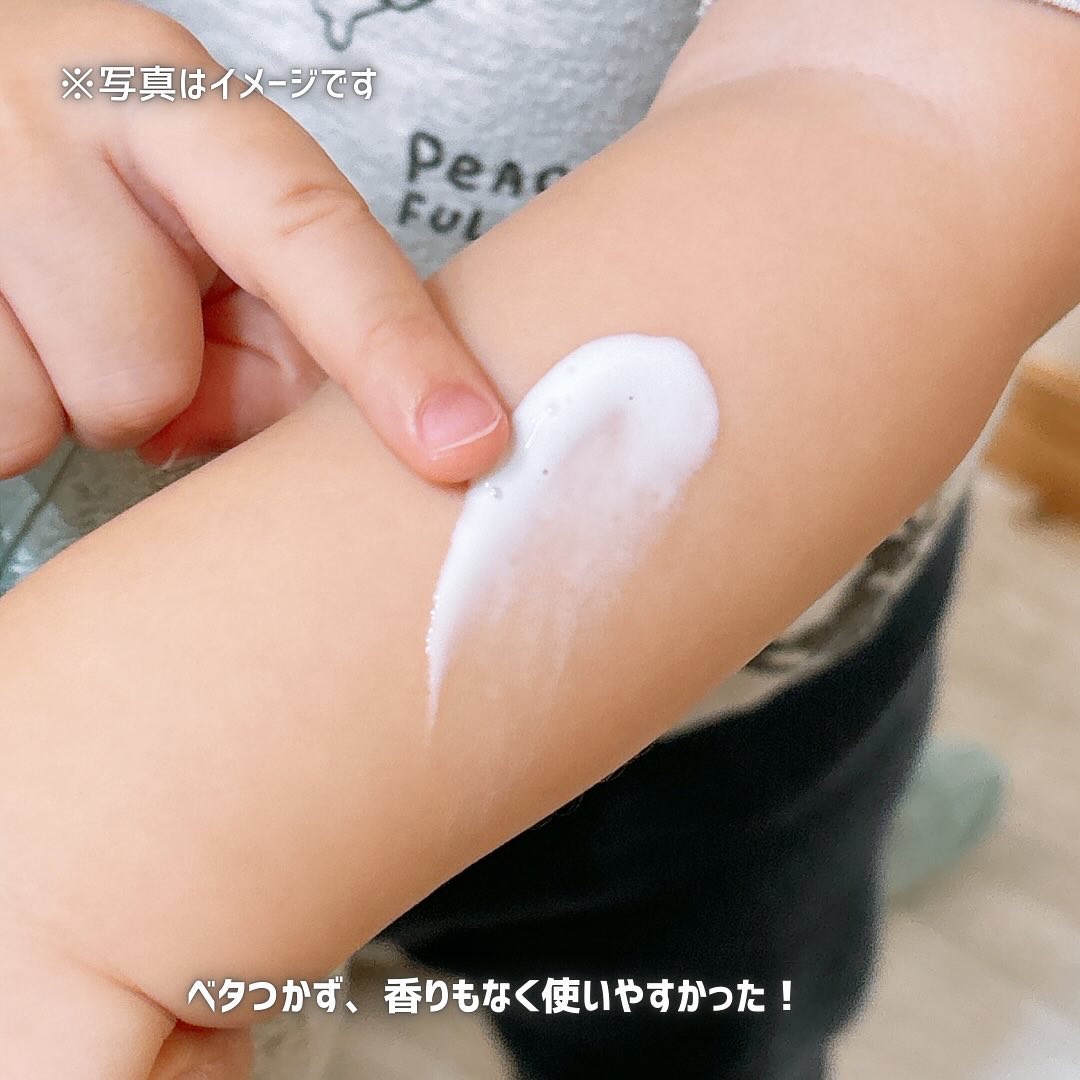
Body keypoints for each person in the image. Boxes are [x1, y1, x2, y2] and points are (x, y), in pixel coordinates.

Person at [1, 1, 1078, 1078]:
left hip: (697, 744)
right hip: (81, 605)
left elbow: (943, 102)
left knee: (702, 1008)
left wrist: (105, 814)